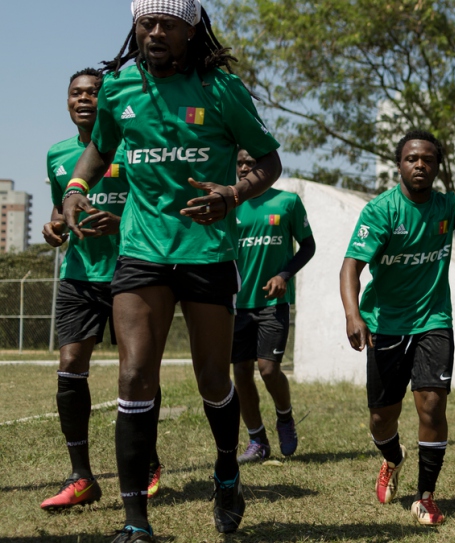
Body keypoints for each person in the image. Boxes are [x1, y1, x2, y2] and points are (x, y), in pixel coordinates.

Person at [61, 1, 282, 540]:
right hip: (141, 251)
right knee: (135, 375)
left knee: (212, 378)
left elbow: (269, 160)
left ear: (190, 31)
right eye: (146, 23)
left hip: (207, 251)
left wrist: (233, 194)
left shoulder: (222, 90)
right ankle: (135, 522)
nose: (155, 32)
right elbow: (98, 150)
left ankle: (227, 471)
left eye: (167, 24)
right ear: (135, 27)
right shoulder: (118, 88)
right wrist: (75, 188)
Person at [40, 68, 164, 511]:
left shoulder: (133, 146)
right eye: (76, 93)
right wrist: (54, 227)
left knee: (137, 368)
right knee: (70, 366)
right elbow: (61, 205)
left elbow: (155, 199)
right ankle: (81, 476)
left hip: (130, 269)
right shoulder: (57, 153)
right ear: (68, 102)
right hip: (78, 273)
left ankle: (147, 461)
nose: (85, 99)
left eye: (94, 92)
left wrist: (122, 219)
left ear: (106, 99)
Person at [340, 130, 455, 527]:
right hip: (385, 325)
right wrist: (352, 313)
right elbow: (350, 267)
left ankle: (425, 496)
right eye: (412, 158)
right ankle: (393, 458)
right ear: (399, 165)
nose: (420, 165)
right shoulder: (380, 211)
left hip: (433, 321)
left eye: (428, 159)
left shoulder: (448, 207)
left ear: (437, 167)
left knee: (431, 404)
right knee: (381, 419)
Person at [232, 149, 316, 463]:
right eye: (239, 162)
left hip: (272, 303)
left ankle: (285, 417)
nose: (243, 168)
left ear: (264, 168)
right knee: (241, 373)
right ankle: (257, 441)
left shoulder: (287, 202)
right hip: (237, 304)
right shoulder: (230, 205)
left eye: (250, 163)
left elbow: (308, 245)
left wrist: (284, 274)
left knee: (268, 369)